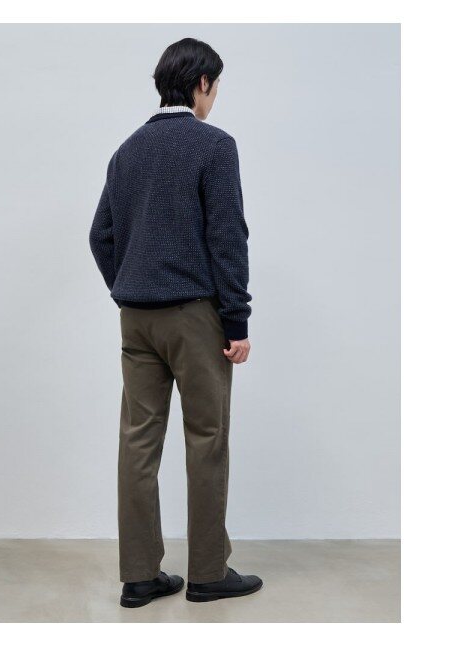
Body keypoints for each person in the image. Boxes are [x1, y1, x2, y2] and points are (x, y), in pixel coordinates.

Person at [89, 37, 261, 608]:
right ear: (202, 83)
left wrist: (128, 285)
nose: (215, 97)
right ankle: (208, 572)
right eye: (215, 86)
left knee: (138, 442)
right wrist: (236, 320)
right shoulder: (214, 145)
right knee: (206, 438)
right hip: (194, 317)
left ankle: (139, 576)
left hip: (136, 320)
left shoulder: (127, 150)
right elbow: (227, 237)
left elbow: (101, 235)